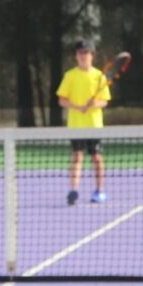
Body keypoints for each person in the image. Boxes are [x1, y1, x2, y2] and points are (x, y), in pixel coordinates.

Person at [56, 39, 111, 205]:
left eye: (86, 53)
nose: (83, 56)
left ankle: (99, 191)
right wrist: (77, 107)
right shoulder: (70, 76)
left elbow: (105, 101)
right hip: (76, 125)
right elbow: (62, 100)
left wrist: (95, 104)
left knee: (96, 158)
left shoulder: (99, 76)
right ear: (76, 56)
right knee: (77, 157)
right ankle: (73, 190)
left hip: (94, 125)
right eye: (80, 53)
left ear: (92, 55)